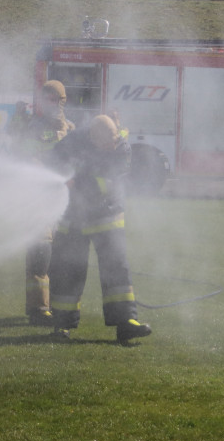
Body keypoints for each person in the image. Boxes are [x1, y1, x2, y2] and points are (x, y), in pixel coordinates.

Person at [47, 113, 152, 344]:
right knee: (67, 269)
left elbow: (106, 180)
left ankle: (126, 322)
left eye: (113, 140)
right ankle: (61, 325)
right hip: (73, 217)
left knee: (117, 267)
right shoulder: (73, 141)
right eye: (106, 143)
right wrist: (63, 175)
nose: (111, 145)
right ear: (92, 137)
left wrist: (76, 181)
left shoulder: (122, 148)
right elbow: (53, 161)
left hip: (107, 214)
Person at [13, 84, 72, 325]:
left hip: (63, 202)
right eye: (46, 98)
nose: (51, 103)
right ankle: (38, 309)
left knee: (61, 257)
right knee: (40, 253)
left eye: (55, 99)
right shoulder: (34, 128)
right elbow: (24, 157)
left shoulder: (70, 129)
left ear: (63, 100)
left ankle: (58, 306)